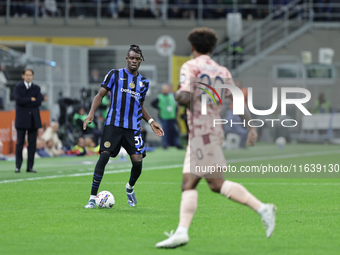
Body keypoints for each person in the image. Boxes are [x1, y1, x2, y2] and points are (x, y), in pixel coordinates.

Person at [156, 27, 276, 248]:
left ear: (192, 48)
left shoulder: (190, 66)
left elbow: (183, 96)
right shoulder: (223, 71)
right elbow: (237, 101)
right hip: (212, 131)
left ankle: (262, 209)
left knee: (207, 183)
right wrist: (251, 127)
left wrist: (177, 96)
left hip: (202, 132)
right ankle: (182, 231)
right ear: (212, 48)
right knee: (195, 183)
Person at [83, 44, 164, 208]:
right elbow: (100, 95)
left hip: (133, 127)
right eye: (131, 58)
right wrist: (91, 113)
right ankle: (92, 198)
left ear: (140, 61)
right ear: (127, 59)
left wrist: (151, 121)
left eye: (137, 59)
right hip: (113, 124)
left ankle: (129, 187)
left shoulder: (143, 82)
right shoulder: (114, 74)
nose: (134, 61)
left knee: (138, 162)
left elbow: (139, 105)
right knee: (104, 156)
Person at [13, 68, 43, 173]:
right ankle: (18, 166)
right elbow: (18, 100)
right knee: (19, 144)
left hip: (33, 119)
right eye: (27, 75)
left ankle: (29, 167)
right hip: (21, 119)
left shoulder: (36, 88)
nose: (28, 77)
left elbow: (38, 101)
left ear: (33, 76)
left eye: (30, 75)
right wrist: (30, 99)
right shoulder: (18, 87)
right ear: (23, 76)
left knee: (32, 144)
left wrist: (25, 101)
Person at [151, 84, 183, 149]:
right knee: (164, 131)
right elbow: (152, 103)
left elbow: (175, 105)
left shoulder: (172, 96)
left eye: (166, 89)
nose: (165, 91)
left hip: (172, 116)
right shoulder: (159, 97)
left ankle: (177, 144)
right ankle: (165, 145)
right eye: (164, 89)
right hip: (163, 116)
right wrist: (160, 108)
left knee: (175, 131)